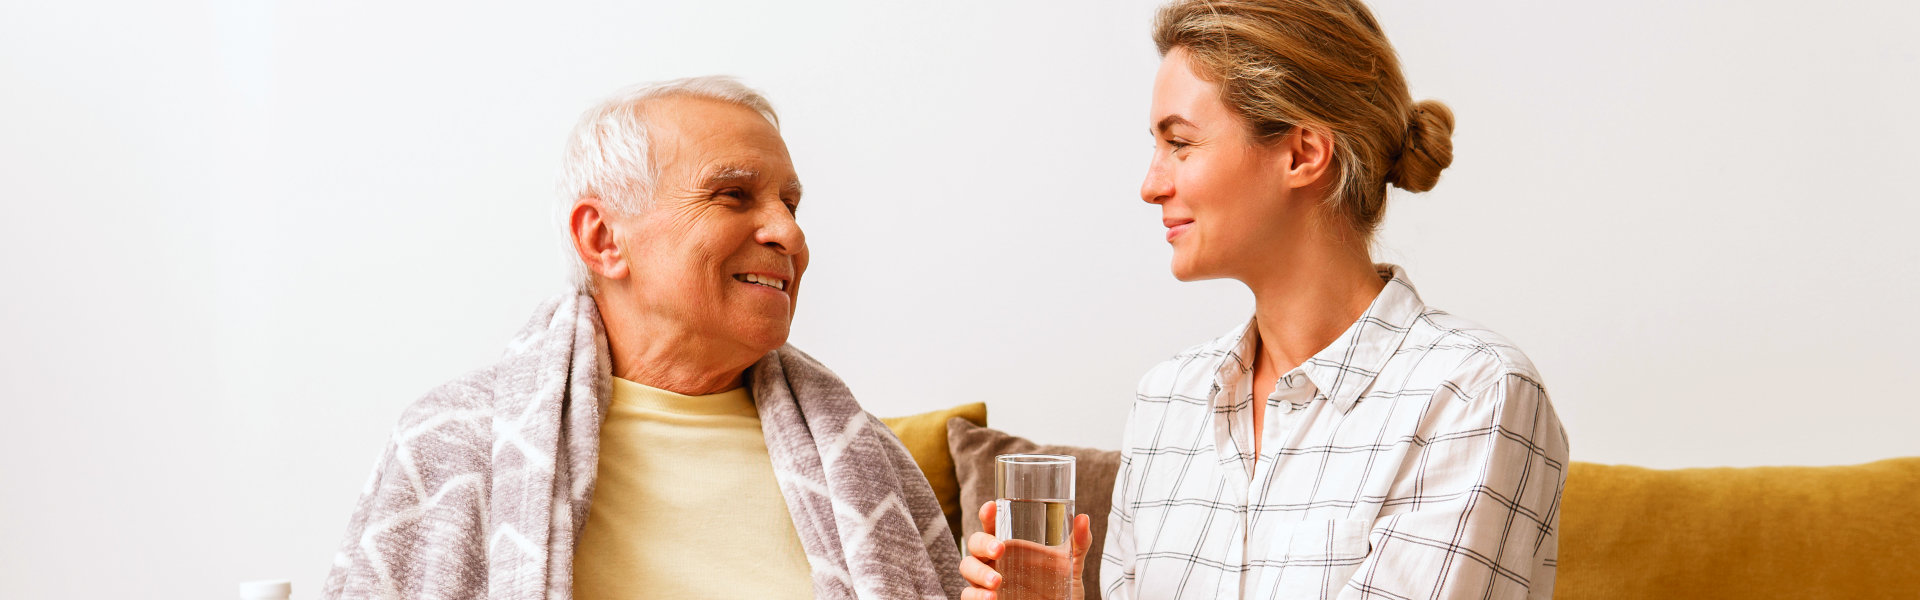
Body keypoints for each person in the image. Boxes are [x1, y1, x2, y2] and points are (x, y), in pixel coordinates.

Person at [959, 1, 1569, 598]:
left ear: (1302, 153)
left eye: (1180, 143)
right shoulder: (1165, 402)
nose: (1150, 185)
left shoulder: (1473, 395)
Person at [322, 76, 965, 600]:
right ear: (603, 239)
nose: (788, 235)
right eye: (734, 195)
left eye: (790, 206)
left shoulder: (867, 460)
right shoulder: (454, 446)